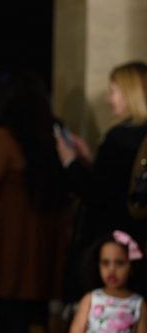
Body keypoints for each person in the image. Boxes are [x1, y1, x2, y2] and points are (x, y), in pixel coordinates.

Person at [0, 73, 69, 333]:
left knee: (9, 318)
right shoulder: (48, 135)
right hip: (41, 249)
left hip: (9, 248)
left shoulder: (3, 136)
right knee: (34, 319)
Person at [57, 61, 147, 301]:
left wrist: (70, 162)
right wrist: (90, 161)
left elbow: (96, 193)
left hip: (115, 248)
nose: (109, 99)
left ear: (130, 93)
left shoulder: (119, 138)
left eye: (113, 91)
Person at [69, 231, 146, 333]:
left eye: (119, 263)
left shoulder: (139, 304)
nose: (112, 270)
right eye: (105, 263)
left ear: (132, 266)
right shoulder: (90, 299)